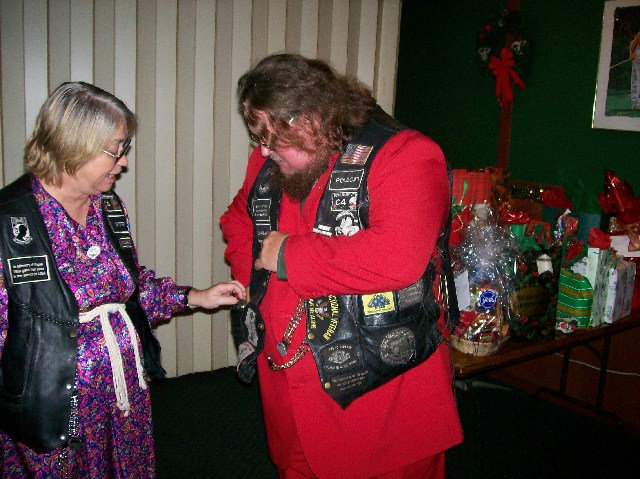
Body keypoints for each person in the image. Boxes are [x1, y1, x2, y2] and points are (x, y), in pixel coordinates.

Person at [221, 54, 463, 479]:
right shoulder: (268, 163)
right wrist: (254, 279)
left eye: (273, 137)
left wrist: (287, 256)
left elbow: (399, 256)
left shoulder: (406, 154)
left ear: (312, 122)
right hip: (290, 405)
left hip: (385, 410)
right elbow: (239, 220)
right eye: (258, 136)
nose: (262, 150)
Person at [0, 81, 245, 478]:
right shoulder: (9, 224)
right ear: (73, 145)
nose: (123, 162)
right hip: (53, 411)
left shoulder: (109, 208)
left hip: (121, 397)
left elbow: (126, 290)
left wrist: (196, 296)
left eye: (123, 149)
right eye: (114, 151)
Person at [631, 31, 640, 110]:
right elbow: (636, 40)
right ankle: (635, 103)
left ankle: (635, 103)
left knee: (636, 80)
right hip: (638, 54)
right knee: (636, 80)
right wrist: (632, 53)